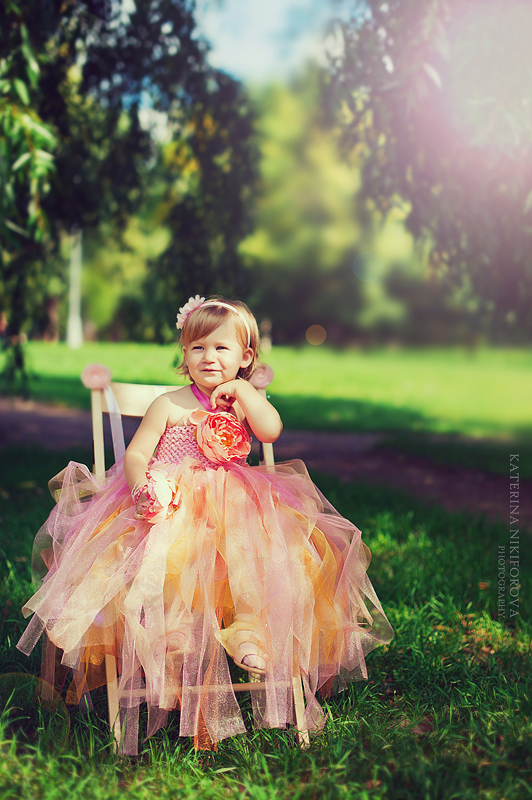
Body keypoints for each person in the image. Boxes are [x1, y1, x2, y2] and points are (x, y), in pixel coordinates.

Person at [17, 296, 393, 755]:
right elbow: (137, 454)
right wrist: (142, 488)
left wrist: (247, 393)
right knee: (168, 558)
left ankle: (249, 631)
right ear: (184, 354)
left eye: (221, 348)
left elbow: (271, 431)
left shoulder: (243, 402)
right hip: (169, 503)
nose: (208, 358)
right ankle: (171, 636)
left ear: (245, 357)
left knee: (259, 553)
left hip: (235, 505)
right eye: (197, 348)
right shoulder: (167, 404)